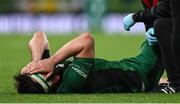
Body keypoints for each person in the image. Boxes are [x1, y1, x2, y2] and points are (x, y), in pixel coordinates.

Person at [14, 31, 164, 93]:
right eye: (43, 73)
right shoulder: (72, 81)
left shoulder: (47, 70)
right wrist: (52, 60)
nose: (45, 69)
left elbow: (39, 36)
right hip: (140, 73)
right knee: (165, 28)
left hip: (130, 68)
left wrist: (35, 61)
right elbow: (87, 40)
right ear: (50, 82)